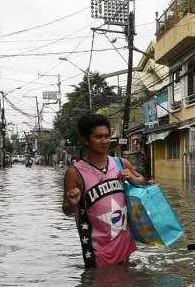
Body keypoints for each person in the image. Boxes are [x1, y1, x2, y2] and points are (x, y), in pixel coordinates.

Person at [62, 113, 146, 268]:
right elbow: (67, 210)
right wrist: (72, 202)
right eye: (98, 137)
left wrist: (133, 179)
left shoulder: (121, 163)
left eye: (107, 136)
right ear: (85, 140)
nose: (104, 141)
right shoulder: (74, 173)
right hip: (96, 254)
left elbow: (142, 182)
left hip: (125, 247)